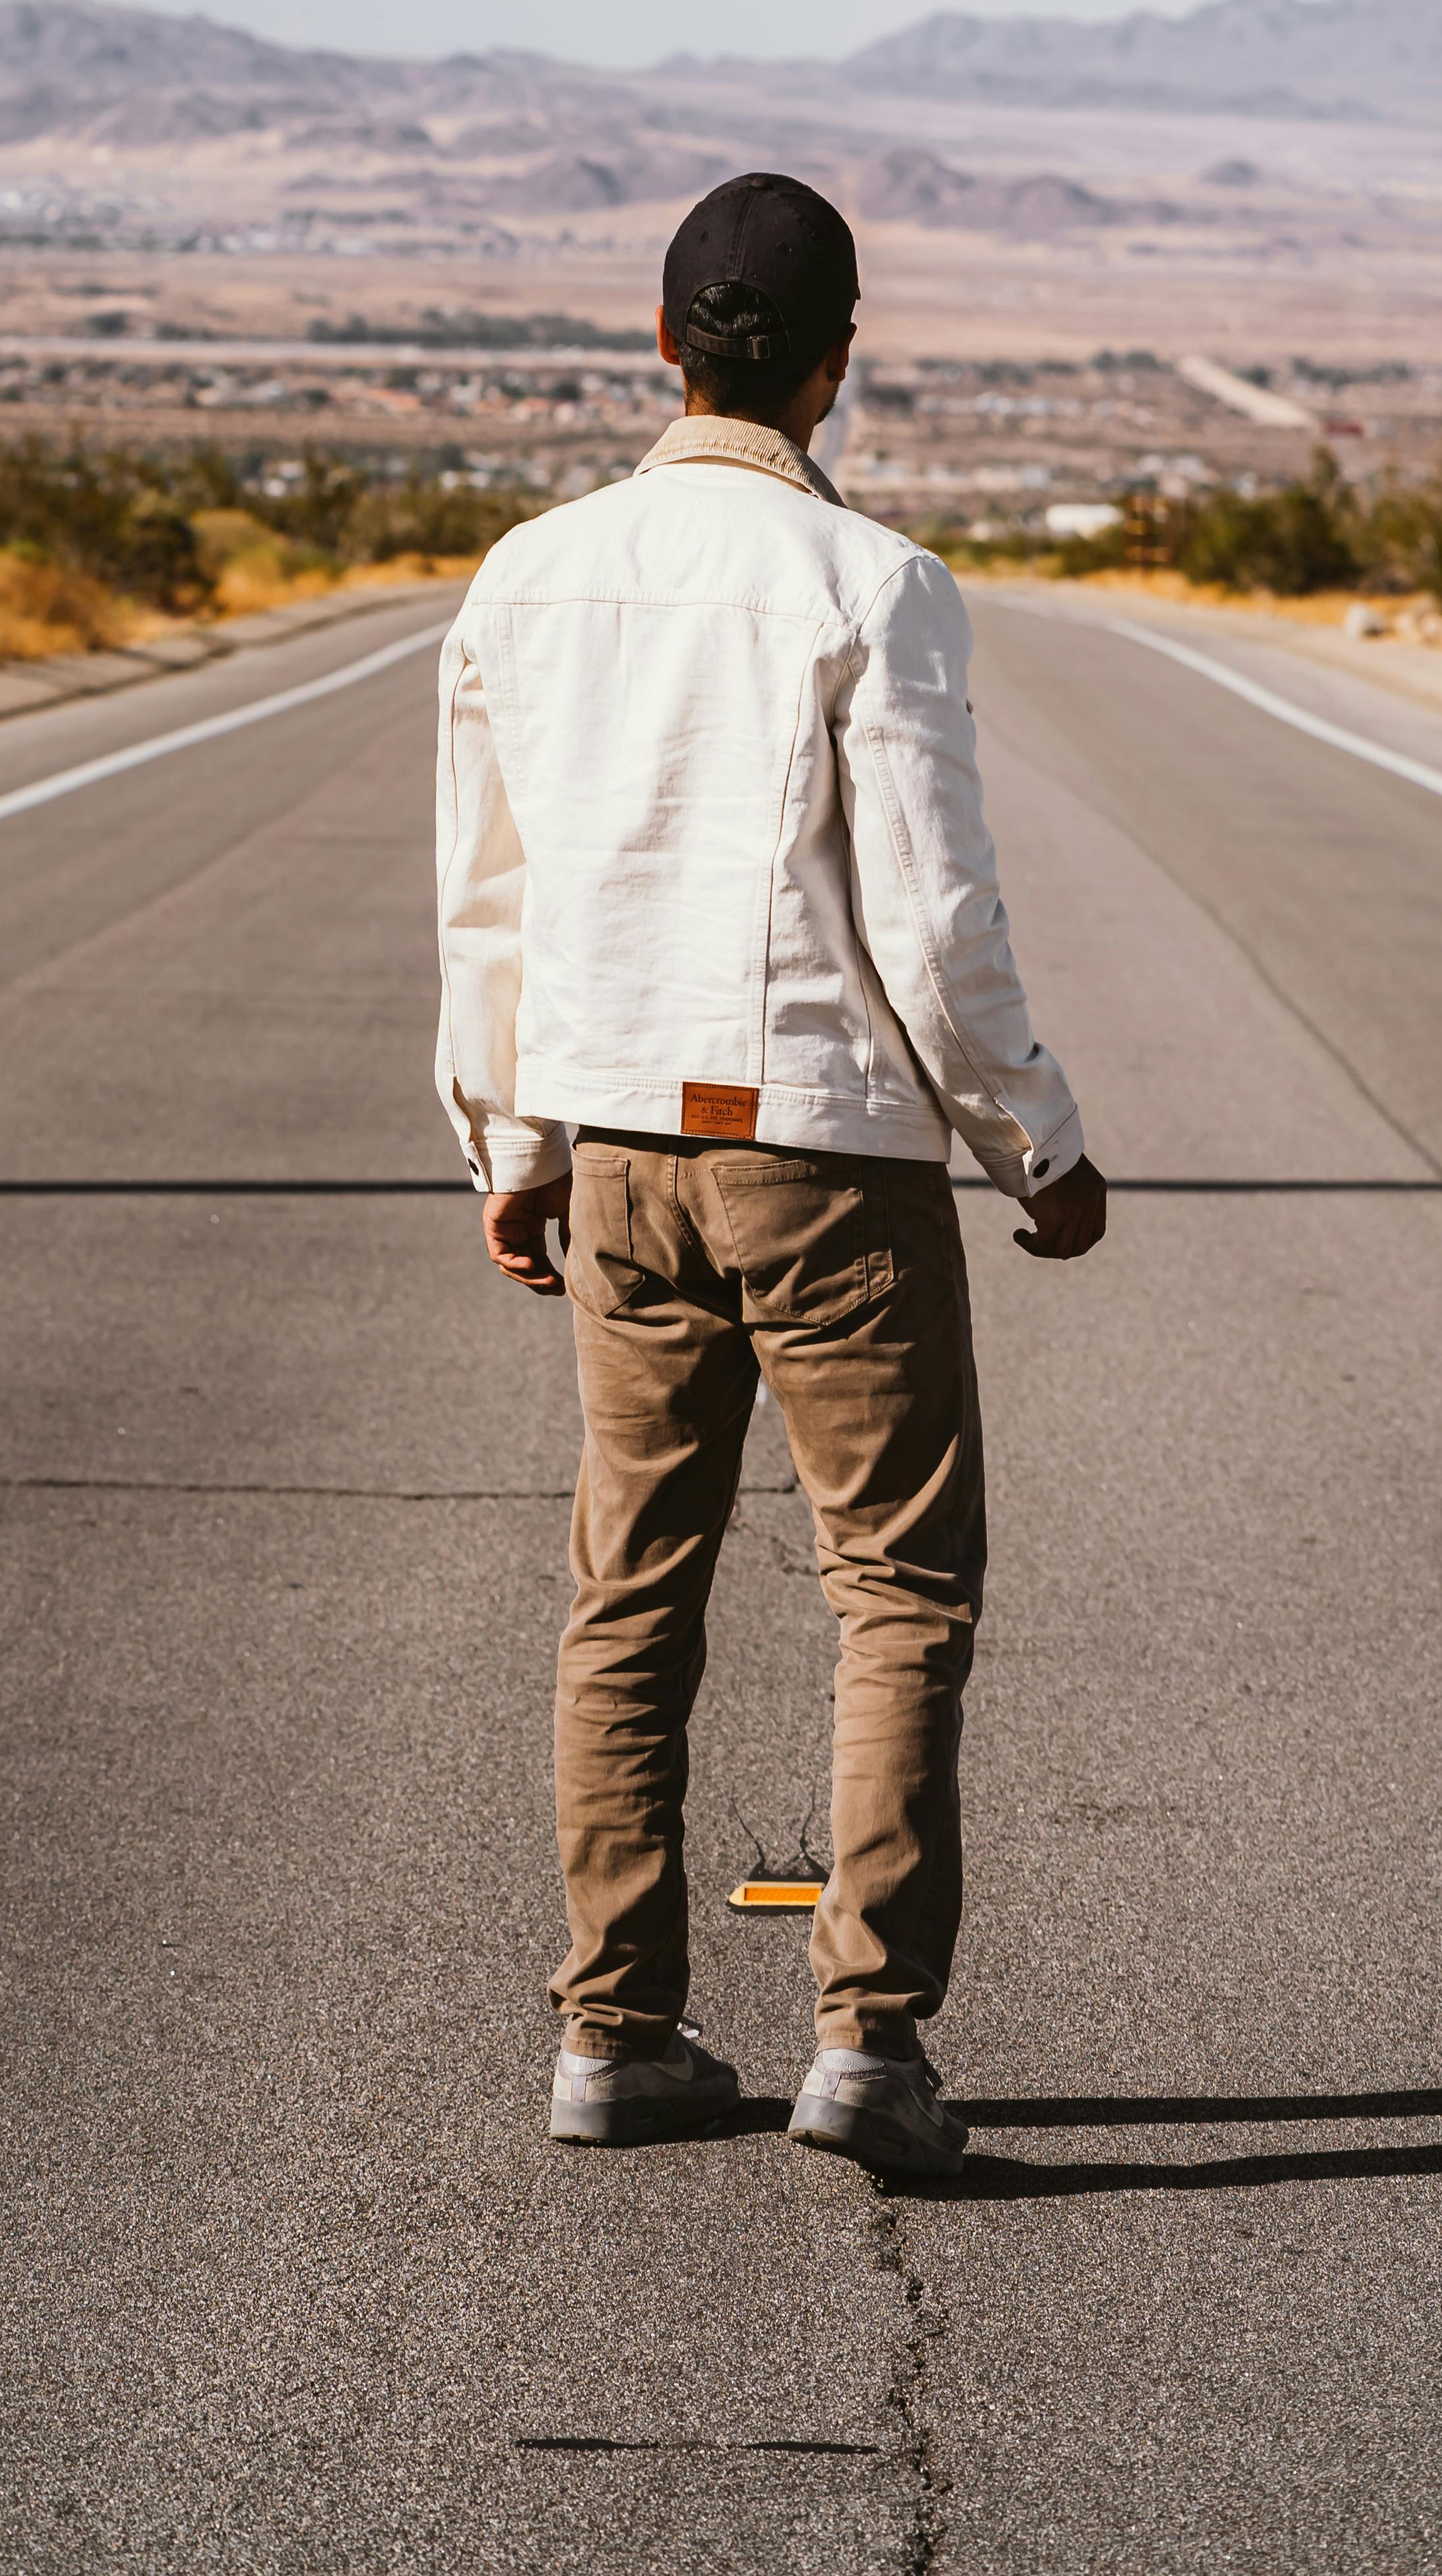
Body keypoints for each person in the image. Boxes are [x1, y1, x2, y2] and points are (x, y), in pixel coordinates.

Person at [433, 171, 1109, 2179]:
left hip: (621, 1150)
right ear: (837, 362)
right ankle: (867, 2043)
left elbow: (489, 902)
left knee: (628, 1590)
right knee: (894, 1586)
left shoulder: (527, 575)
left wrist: (510, 1142)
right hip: (823, 1151)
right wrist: (1037, 1141)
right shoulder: (873, 584)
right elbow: (932, 917)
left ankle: (612, 2032)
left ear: (662, 341)